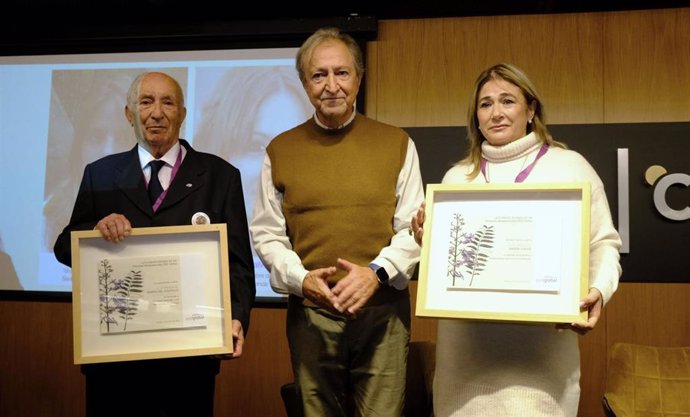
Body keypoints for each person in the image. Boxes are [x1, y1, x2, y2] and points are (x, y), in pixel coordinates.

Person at [410, 63, 622, 417]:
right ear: (475, 118)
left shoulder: (570, 167)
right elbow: (447, 268)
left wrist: (599, 289)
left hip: (542, 374)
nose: (496, 113)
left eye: (507, 101)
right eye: (485, 104)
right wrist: (428, 242)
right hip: (463, 371)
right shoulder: (456, 179)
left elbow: (604, 245)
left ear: (531, 109)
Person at [53, 71, 256, 417]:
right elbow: (64, 248)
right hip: (115, 359)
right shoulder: (99, 174)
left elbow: (238, 263)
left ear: (182, 113)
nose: (157, 112)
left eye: (168, 102)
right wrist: (95, 228)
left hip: (190, 357)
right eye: (145, 102)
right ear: (129, 114)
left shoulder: (221, 176)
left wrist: (236, 319)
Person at [250, 27, 425, 417]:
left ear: (358, 78)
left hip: (383, 312)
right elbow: (267, 234)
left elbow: (412, 231)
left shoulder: (397, 143)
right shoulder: (280, 149)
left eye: (342, 73)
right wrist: (300, 280)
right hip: (311, 315)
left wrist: (375, 274)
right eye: (319, 75)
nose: (332, 85)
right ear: (304, 84)